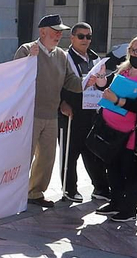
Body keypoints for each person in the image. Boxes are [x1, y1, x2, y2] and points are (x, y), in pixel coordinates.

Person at [12, 14, 84, 208]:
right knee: (23, 157)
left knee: (46, 158)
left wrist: (89, 82)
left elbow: (71, 82)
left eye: (61, 32)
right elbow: (15, 77)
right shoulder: (27, 50)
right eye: (55, 31)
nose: (59, 35)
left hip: (51, 114)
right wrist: (30, 60)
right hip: (29, 114)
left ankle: (35, 193)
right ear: (42, 32)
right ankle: (14, 194)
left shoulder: (61, 55)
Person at [91, 34, 137, 221]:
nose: (133, 54)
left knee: (129, 172)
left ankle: (129, 209)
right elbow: (107, 87)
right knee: (112, 167)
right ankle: (115, 202)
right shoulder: (124, 69)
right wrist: (101, 80)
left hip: (131, 134)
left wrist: (117, 100)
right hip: (111, 130)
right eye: (131, 50)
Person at [60, 21, 108, 203]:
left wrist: (101, 80)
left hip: (91, 110)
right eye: (81, 36)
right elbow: (57, 83)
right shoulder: (64, 58)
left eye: (88, 37)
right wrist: (62, 103)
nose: (85, 40)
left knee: (93, 151)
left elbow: (101, 85)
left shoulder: (95, 58)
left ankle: (101, 188)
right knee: (70, 152)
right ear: (72, 38)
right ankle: (69, 189)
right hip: (71, 111)